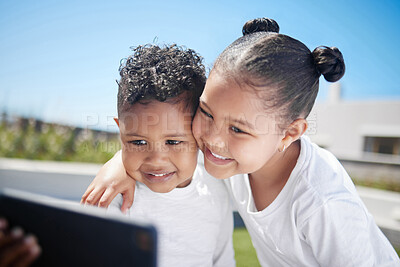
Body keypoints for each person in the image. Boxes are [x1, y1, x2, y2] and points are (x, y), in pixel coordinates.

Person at [82, 18, 400, 266]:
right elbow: (163, 126)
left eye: (238, 130)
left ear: (289, 134)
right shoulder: (233, 158)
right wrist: (122, 160)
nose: (212, 140)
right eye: (206, 112)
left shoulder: (322, 204)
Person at [106, 44, 235, 267]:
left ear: (199, 132)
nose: (156, 160)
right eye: (138, 142)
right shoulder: (113, 198)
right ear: (121, 131)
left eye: (173, 142)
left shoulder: (216, 193)